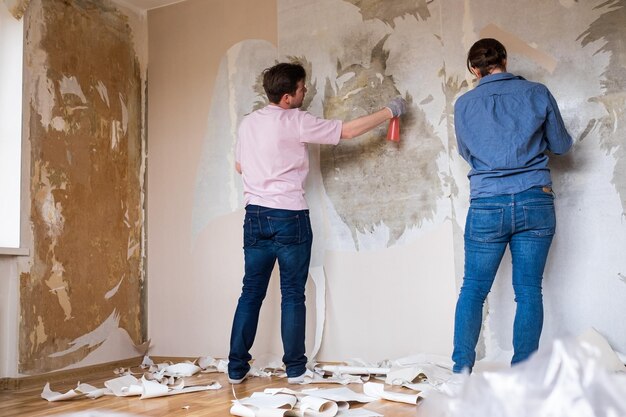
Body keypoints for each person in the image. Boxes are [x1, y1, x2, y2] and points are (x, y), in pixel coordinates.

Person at [228, 62, 406, 384]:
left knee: (251, 292)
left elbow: (241, 166)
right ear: (286, 97)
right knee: (293, 293)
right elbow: (348, 132)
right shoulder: (296, 120)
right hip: (289, 217)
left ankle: (236, 368)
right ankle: (295, 369)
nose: (305, 90)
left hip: (254, 216)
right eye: (301, 88)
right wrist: (389, 111)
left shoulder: (248, 124)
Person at [452, 38, 573, 373]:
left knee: (473, 289)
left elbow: (467, 153)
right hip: (535, 198)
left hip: (488, 203)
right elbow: (562, 145)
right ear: (504, 60)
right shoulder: (537, 93)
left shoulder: (464, 104)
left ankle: (462, 371)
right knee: (529, 290)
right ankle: (523, 375)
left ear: (474, 70)